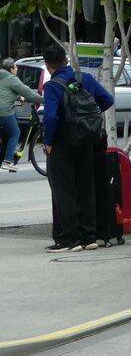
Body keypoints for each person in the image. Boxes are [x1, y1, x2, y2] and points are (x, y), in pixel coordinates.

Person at [41, 43, 114, 252]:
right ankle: (88, 236)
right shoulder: (85, 79)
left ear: (48, 66)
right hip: (85, 140)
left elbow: (52, 116)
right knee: (85, 187)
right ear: (66, 60)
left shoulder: (53, 86)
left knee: (64, 190)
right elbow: (107, 100)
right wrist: (87, 120)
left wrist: (48, 141)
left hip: (62, 142)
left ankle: (68, 239)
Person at [1, 56, 43, 171]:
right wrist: (47, 100)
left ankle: (3, 151)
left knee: (11, 123)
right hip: (3, 111)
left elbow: (5, 90)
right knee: (15, 133)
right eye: (16, 67)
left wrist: (19, 96)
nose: (17, 69)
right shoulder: (12, 79)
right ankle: (7, 161)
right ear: (11, 69)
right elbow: (31, 95)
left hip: (5, 110)